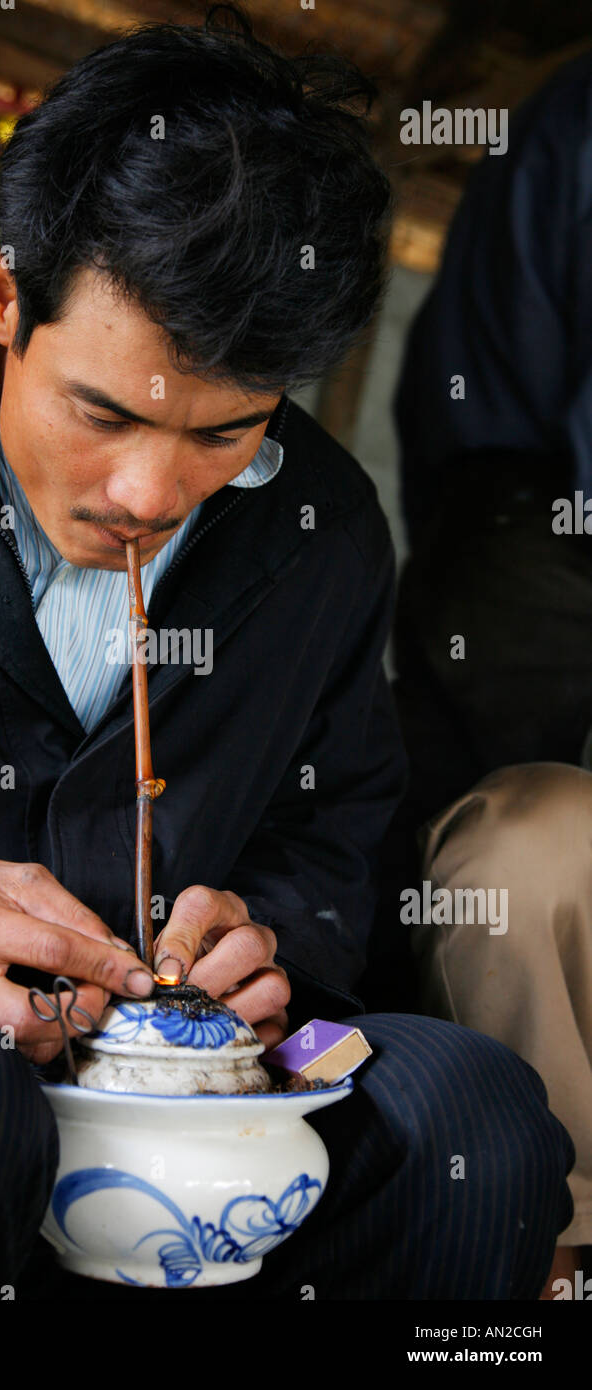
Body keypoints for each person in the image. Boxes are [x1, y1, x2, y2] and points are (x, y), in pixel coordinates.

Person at [0, 8, 573, 1300]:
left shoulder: (322, 530)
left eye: (224, 433)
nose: (148, 487)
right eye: (102, 410)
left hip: (159, 1117)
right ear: (5, 292)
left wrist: (268, 939)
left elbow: (333, 839)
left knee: (475, 1118)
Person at [392, 52, 592, 1288]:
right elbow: (468, 439)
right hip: (535, 544)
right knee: (518, 850)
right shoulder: (577, 123)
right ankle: (548, 1249)